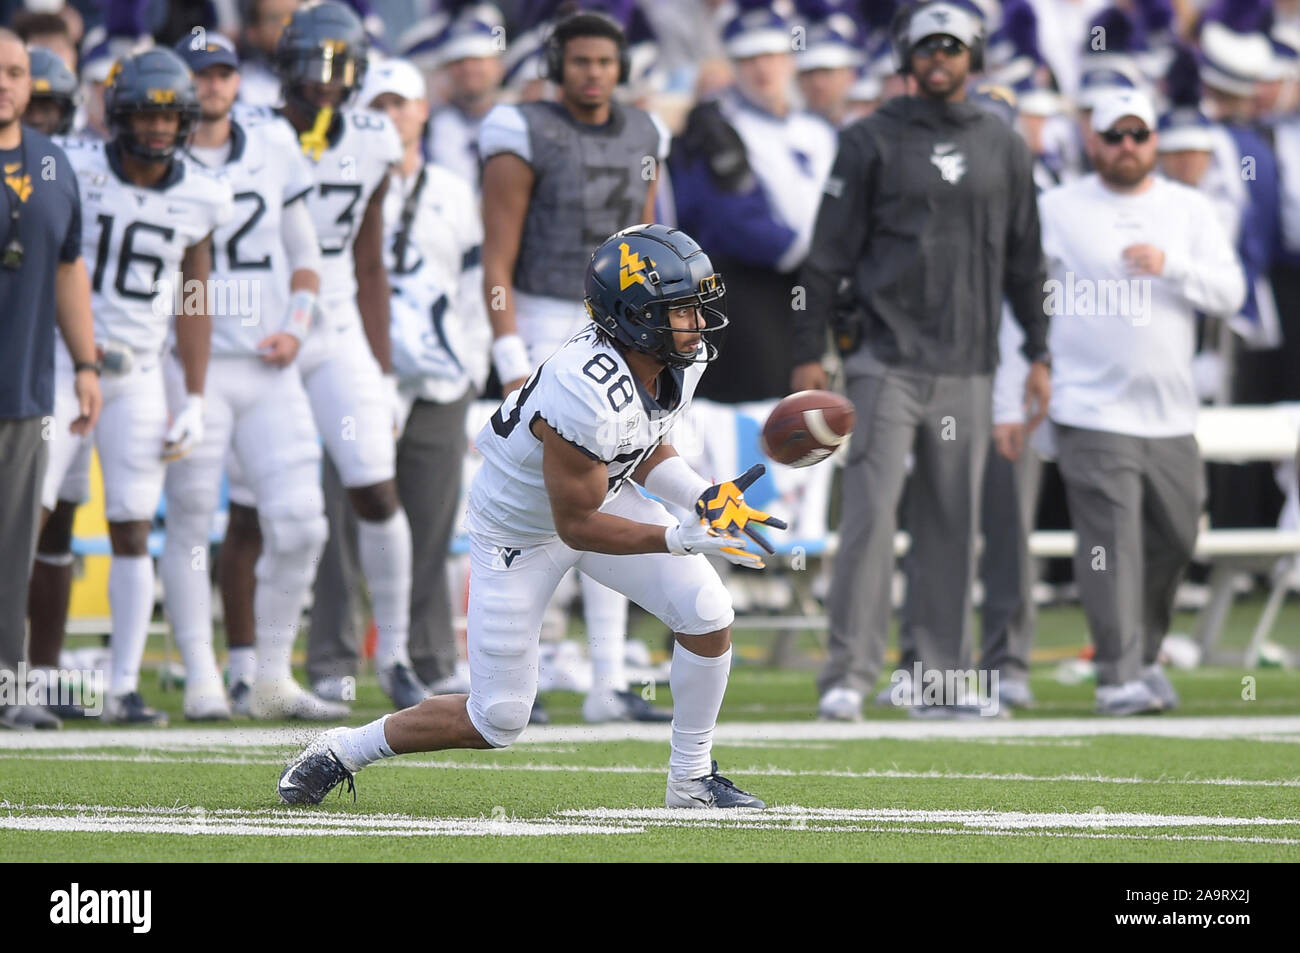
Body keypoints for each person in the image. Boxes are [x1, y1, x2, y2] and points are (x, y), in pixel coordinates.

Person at [277, 223, 778, 809]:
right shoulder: (582, 389)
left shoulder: (674, 360)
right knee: (496, 719)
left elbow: (642, 444)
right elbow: (577, 526)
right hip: (519, 532)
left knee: (708, 611)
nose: (695, 322)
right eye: (679, 309)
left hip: (599, 496)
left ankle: (691, 781)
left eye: (696, 306)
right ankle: (342, 748)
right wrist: (675, 537)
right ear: (634, 317)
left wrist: (699, 496)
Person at [791, 1, 1051, 720]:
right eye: (927, 47)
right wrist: (808, 350)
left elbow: (1028, 259)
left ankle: (933, 678)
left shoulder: (1006, 144)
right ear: (906, 56)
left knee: (951, 519)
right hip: (882, 354)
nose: (940, 58)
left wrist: (1040, 349)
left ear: (975, 56)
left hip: (970, 361)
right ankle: (847, 671)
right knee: (871, 514)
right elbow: (826, 255)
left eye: (953, 47)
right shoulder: (867, 138)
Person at [216, 0, 419, 711]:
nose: (328, 81)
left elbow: (369, 263)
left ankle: (393, 655)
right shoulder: (247, 130)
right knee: (252, 509)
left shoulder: (372, 136)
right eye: (315, 64)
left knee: (375, 485)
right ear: (286, 64)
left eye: (341, 67)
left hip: (331, 324)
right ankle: (246, 663)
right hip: (261, 326)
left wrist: (386, 367)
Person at [478, 10, 672, 724]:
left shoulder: (648, 132)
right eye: (581, 61)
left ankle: (608, 677)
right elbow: (497, 254)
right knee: (550, 499)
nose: (594, 73)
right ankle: (519, 666)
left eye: (605, 62)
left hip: (619, 322)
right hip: (538, 315)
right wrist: (506, 349)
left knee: (617, 480)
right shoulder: (521, 129)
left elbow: (647, 242)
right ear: (558, 64)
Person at [38, 47, 233, 725]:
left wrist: (197, 395)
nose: (156, 128)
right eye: (144, 115)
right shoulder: (71, 163)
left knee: (130, 526)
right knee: (27, 516)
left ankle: (122, 684)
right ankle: (19, 675)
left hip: (141, 375)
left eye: (169, 115)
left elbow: (195, 296)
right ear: (115, 115)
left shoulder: (204, 192)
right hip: (63, 362)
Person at [1040, 88, 1245, 715]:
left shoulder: (1189, 209)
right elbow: (1020, 295)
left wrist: (1171, 265)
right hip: (1090, 406)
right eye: (1114, 135)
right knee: (1111, 542)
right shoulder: (1056, 206)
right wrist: (1034, 368)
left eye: (1138, 134)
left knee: (1177, 538)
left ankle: (1145, 655)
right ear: (1092, 141)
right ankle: (1117, 674)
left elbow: (1231, 293)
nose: (1127, 146)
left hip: (1172, 412)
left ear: (1154, 140)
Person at [156, 33, 332, 721]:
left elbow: (306, 253)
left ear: (238, 81)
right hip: (185, 365)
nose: (212, 86)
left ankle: (267, 676)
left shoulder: (273, 144)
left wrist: (297, 322)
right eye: (200, 75)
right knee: (193, 519)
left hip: (266, 363)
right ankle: (202, 674)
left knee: (302, 523)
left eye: (224, 73)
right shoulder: (152, 155)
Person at [309, 57, 488, 697]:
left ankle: (428, 656)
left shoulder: (452, 189)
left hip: (438, 376)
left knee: (429, 522)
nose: (390, 117)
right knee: (344, 513)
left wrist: (471, 362)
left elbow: (473, 284)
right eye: (377, 105)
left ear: (421, 112)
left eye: (400, 104)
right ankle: (333, 661)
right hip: (355, 367)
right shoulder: (339, 181)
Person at [0, 30, 100, 731]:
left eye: (15, 71)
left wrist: (87, 363)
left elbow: (69, 269)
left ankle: (7, 684)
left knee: (12, 545)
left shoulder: (55, 164)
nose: (6, 82)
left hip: (25, 388)